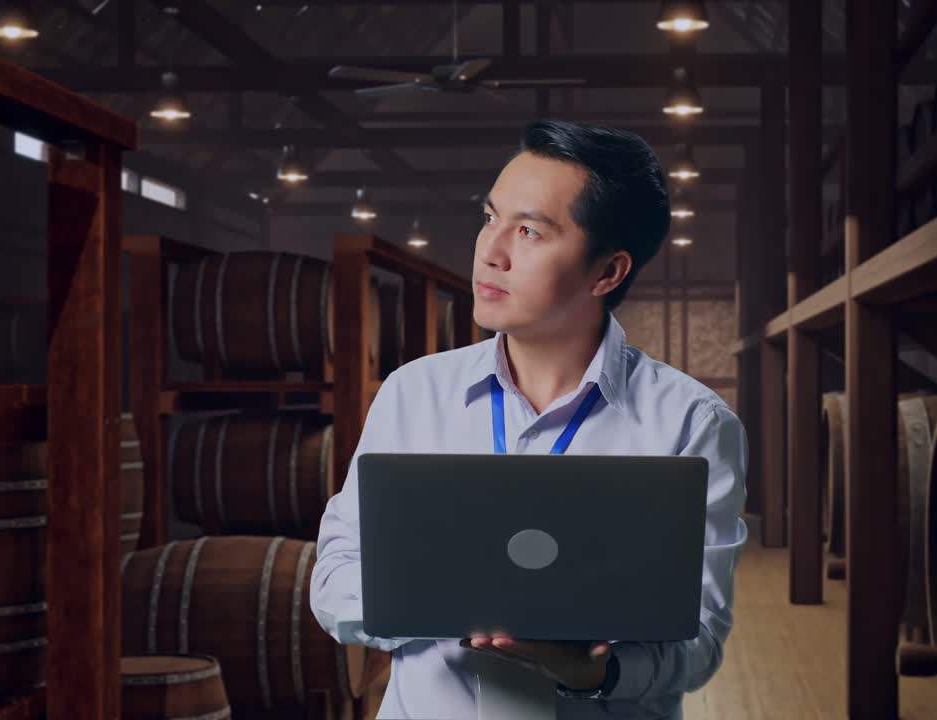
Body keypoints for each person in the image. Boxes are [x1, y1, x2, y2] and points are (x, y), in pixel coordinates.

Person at [310, 119, 749, 720]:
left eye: (528, 231)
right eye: (490, 218)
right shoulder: (413, 393)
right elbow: (333, 575)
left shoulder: (690, 423)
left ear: (607, 273)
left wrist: (595, 671)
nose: (490, 252)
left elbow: (698, 638)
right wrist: (431, 602)